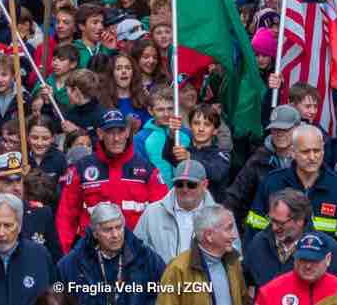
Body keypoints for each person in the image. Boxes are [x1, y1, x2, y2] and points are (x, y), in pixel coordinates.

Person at [246, 125, 337, 285]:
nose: (312, 157)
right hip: (275, 279)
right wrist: (250, 281)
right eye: (305, 152)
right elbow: (254, 233)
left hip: (321, 282)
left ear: (324, 151)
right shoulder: (272, 184)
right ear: (292, 152)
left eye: (317, 151)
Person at [57, 109, 170, 249]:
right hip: (92, 255)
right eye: (110, 132)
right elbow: (66, 216)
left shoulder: (147, 170)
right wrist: (68, 253)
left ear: (127, 132)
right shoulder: (81, 169)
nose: (116, 138)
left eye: (120, 131)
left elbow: (163, 216)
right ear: (100, 134)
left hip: (136, 253)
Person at [57, 202, 166, 305]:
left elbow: (166, 292)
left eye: (118, 227)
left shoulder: (146, 257)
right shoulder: (72, 264)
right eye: (108, 230)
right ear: (95, 233)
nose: (115, 235)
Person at [242, 188, 337, 288]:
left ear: (300, 220)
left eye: (280, 223)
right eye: (272, 220)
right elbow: (245, 281)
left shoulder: (329, 249)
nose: (274, 228)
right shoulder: (259, 242)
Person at [223, 105, 300, 226]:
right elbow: (235, 196)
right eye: (275, 129)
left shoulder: (306, 158)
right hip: (264, 234)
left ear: (297, 129)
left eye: (285, 129)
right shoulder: (258, 159)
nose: (279, 133)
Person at [153, 205, 246, 305]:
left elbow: (242, 298)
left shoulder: (233, 261)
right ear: (209, 236)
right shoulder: (178, 268)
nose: (234, 236)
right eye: (228, 229)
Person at [134, 159, 221, 263]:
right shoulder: (152, 212)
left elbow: (232, 257)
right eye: (179, 184)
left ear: (205, 184)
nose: (185, 189)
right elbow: (136, 251)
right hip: (162, 278)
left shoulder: (220, 217)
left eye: (191, 184)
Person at [254, 233, 337, 305]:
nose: (308, 266)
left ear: (328, 259)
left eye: (314, 260)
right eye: (303, 259)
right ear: (295, 258)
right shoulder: (270, 292)